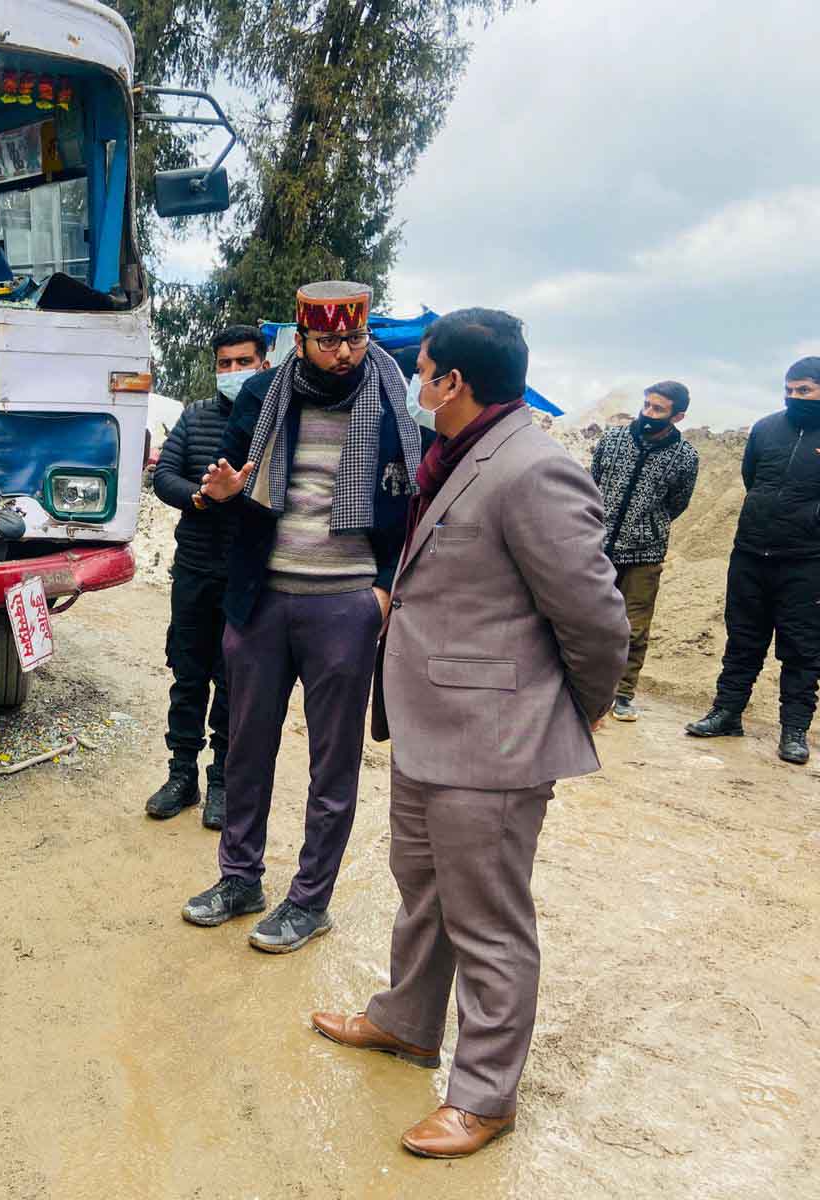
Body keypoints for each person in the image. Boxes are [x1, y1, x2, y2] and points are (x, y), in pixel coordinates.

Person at [310, 308, 629, 1159]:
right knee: (424, 887)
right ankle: (408, 1021)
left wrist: (574, 706)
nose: (415, 384)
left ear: (453, 381)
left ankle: (486, 1093)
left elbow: (595, 618)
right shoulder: (457, 455)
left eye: (423, 371)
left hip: (493, 737)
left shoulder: (532, 469)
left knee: (488, 918)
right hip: (430, 724)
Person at [181, 282, 424, 953]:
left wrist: (379, 591)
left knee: (332, 763)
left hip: (344, 605)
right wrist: (223, 493)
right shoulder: (263, 396)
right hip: (262, 601)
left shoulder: (394, 401)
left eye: (354, 339)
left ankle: (309, 900)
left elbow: (410, 509)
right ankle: (240, 879)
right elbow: (228, 482)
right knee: (245, 748)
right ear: (300, 336)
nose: (343, 353)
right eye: (327, 341)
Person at [144, 326, 263, 828]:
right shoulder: (194, 416)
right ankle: (181, 776)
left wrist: (241, 492)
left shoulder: (271, 422)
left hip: (246, 577)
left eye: (243, 362)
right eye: (225, 363)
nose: (232, 372)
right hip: (193, 571)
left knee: (234, 683)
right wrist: (201, 496)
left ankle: (221, 783)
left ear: (263, 364)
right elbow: (163, 476)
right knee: (188, 677)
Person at [686, 358, 820, 765]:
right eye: (790, 389)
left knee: (801, 648)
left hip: (806, 561)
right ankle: (727, 713)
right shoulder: (765, 429)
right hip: (751, 553)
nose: (795, 397)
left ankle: (794, 730)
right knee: (743, 639)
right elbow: (752, 477)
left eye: (805, 390)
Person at [590, 382, 700, 721]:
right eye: (647, 406)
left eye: (658, 410)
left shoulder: (685, 457)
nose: (648, 414)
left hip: (645, 555)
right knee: (586, 618)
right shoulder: (612, 440)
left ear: (678, 416)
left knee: (633, 628)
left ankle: (622, 695)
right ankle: (581, 687)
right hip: (598, 547)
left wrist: (646, 528)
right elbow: (592, 485)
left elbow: (677, 504)